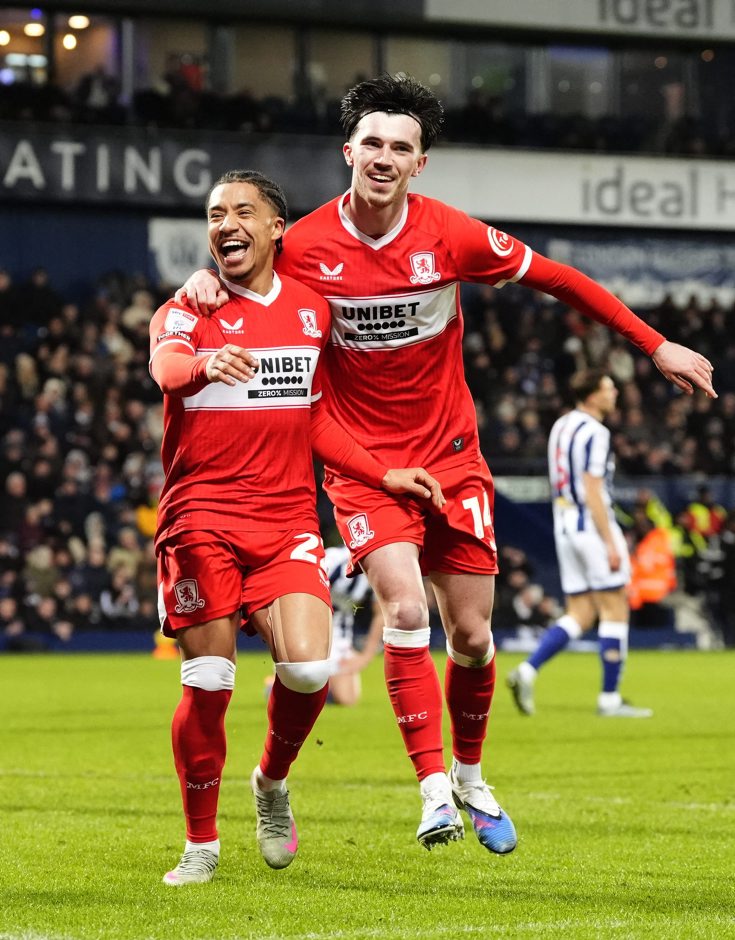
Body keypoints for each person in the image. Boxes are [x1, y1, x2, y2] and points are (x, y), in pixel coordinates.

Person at [176, 75, 715, 855]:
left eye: (400, 147)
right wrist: (203, 283)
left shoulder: (450, 235)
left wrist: (653, 343)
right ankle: (432, 792)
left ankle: (468, 775)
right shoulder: (303, 248)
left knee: (471, 636)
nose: (383, 157)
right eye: (372, 143)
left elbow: (558, 278)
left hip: (453, 462)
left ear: (418, 163)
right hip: (365, 469)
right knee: (403, 610)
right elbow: (238, 269)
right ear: (348, 152)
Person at [151, 169, 444, 886]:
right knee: (210, 681)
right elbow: (166, 367)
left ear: (276, 226)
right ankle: (201, 843)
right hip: (201, 517)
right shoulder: (188, 305)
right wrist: (203, 364)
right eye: (214, 214)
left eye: (241, 211)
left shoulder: (311, 311)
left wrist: (382, 473)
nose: (225, 224)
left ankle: (271, 781)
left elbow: (315, 417)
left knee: (309, 670)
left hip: (284, 519)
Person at [507, 369, 654, 718]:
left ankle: (526, 671)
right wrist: (611, 542)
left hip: (564, 525)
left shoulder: (561, 426)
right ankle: (609, 699)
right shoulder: (597, 432)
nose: (615, 393)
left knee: (581, 613)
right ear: (591, 395)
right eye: (608, 388)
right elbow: (592, 489)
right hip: (591, 526)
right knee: (615, 607)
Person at [324, 543, 383, 705]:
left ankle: (319, 687)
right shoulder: (332, 558)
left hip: (340, 629)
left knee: (348, 698)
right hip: (313, 623)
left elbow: (381, 613)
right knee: (303, 677)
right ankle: (278, 685)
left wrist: (366, 657)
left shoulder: (378, 568)